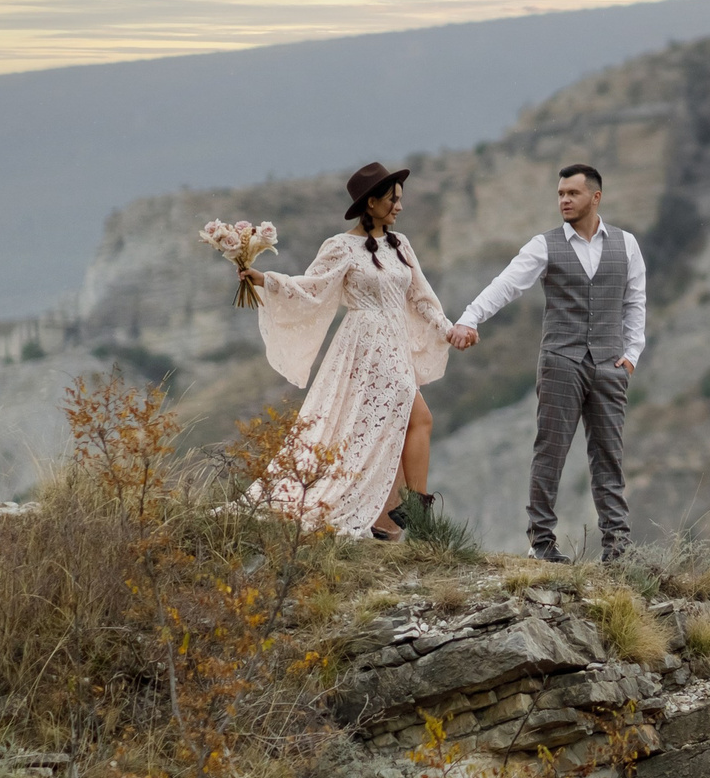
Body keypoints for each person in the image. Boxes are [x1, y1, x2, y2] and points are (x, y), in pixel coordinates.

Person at [239, 162, 456, 539]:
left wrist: (448, 330)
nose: (399, 207)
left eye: (400, 199)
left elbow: (420, 297)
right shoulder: (340, 247)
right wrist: (267, 280)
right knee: (417, 415)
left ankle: (386, 527)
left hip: (395, 342)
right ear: (370, 203)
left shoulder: (400, 245)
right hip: (366, 344)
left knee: (391, 427)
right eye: (392, 199)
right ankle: (417, 513)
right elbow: (312, 287)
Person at [448, 163, 646, 562]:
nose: (564, 201)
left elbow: (635, 301)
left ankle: (618, 550)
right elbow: (507, 284)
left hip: (610, 365)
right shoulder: (545, 244)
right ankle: (541, 543)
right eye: (560, 194)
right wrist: (469, 317)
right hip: (560, 362)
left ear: (596, 197)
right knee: (550, 452)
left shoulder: (627, 245)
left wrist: (631, 355)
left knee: (609, 456)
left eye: (572, 193)